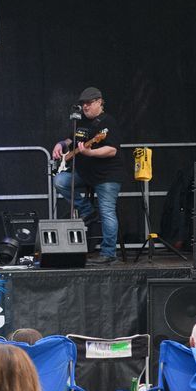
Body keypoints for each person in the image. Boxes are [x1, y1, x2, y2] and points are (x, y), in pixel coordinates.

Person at [50, 86, 126, 264]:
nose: (85, 107)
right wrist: (61, 144)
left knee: (107, 210)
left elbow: (112, 150)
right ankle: (87, 211)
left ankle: (108, 253)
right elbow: (71, 140)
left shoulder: (108, 123)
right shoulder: (81, 122)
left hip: (107, 175)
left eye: (89, 103)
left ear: (100, 102)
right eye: (83, 104)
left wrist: (90, 153)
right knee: (60, 180)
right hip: (85, 173)